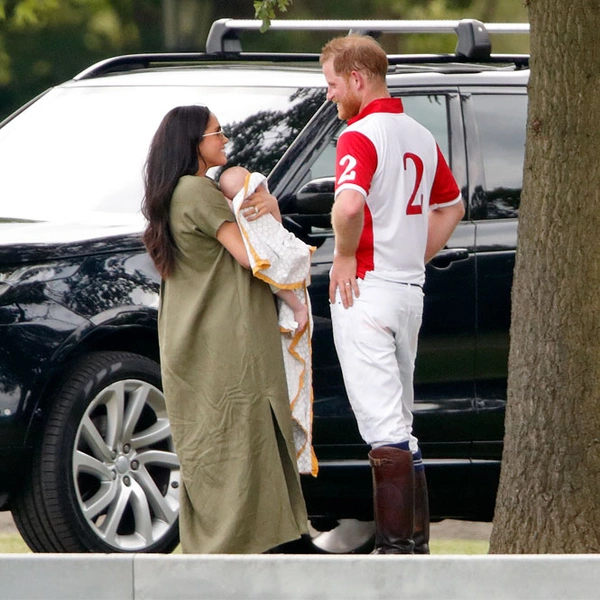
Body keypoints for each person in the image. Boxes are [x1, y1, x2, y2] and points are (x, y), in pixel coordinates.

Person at [320, 35, 465, 554]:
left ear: (358, 79)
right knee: (402, 423)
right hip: (408, 289)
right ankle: (415, 545)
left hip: (367, 289)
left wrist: (342, 254)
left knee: (383, 426)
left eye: (334, 85)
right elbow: (453, 207)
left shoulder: (360, 135)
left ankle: (397, 550)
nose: (332, 96)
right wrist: (411, 252)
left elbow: (348, 206)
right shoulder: (420, 133)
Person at [141, 105, 309, 554]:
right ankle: (255, 544)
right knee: (242, 436)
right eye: (217, 133)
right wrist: (293, 292)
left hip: (195, 337)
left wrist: (266, 206)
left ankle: (262, 540)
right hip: (225, 338)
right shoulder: (196, 191)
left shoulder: (178, 193)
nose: (225, 140)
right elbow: (252, 254)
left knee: (219, 439)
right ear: (193, 143)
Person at [219, 165, 318, 477]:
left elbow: (275, 242)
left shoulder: (257, 209)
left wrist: (272, 208)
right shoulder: (234, 215)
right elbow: (262, 258)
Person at [219, 165, 309, 334]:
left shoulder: (260, 202)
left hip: (277, 253)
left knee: (274, 275)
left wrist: (273, 206)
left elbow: (275, 229)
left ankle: (298, 307)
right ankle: (297, 308)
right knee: (274, 277)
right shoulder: (237, 210)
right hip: (270, 259)